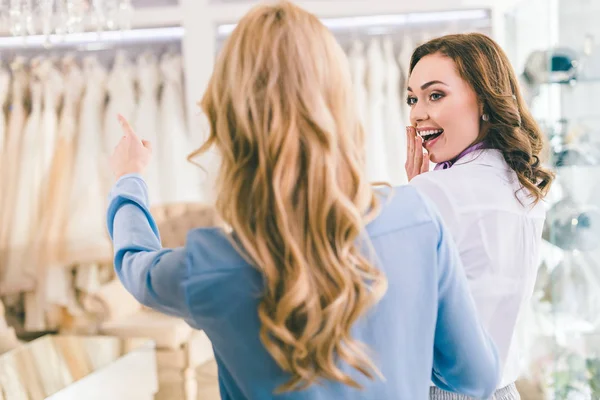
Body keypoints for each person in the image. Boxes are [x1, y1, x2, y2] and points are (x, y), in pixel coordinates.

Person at [106, 2, 500, 399]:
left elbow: (134, 262)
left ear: (231, 117)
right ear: (340, 105)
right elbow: (475, 377)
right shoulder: (416, 218)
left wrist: (129, 178)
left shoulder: (209, 265)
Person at [404, 33, 555, 400]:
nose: (416, 113)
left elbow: (404, 320)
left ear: (484, 101)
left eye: (435, 95)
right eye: (412, 98)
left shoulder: (433, 193)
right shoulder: (525, 190)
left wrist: (413, 196)